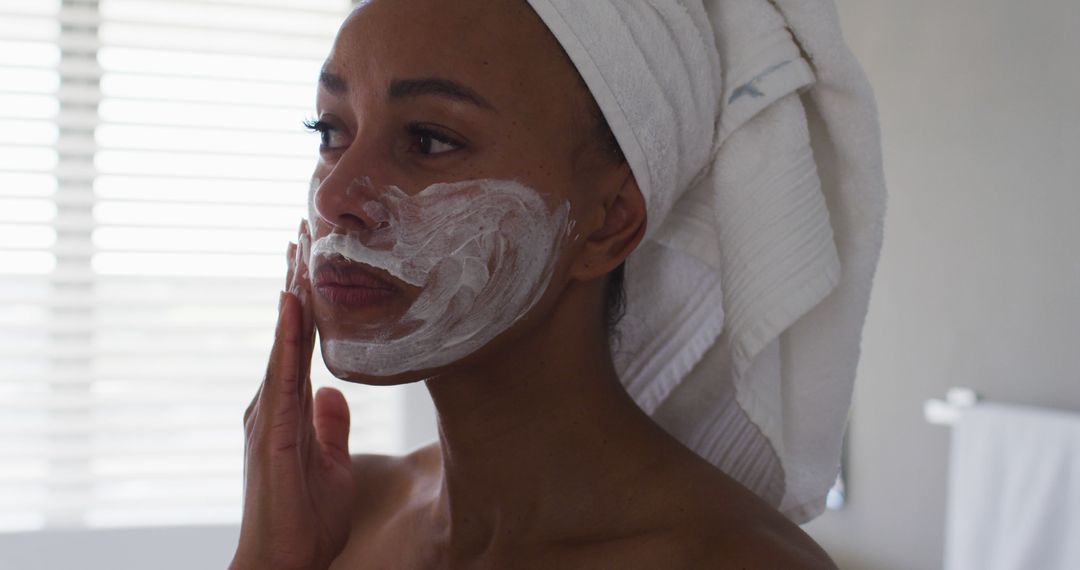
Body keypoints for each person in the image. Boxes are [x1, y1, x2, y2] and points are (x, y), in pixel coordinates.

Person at [232, 0, 886, 567]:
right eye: (330, 131)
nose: (336, 196)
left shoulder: (737, 563)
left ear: (607, 222)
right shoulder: (342, 518)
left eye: (430, 139)